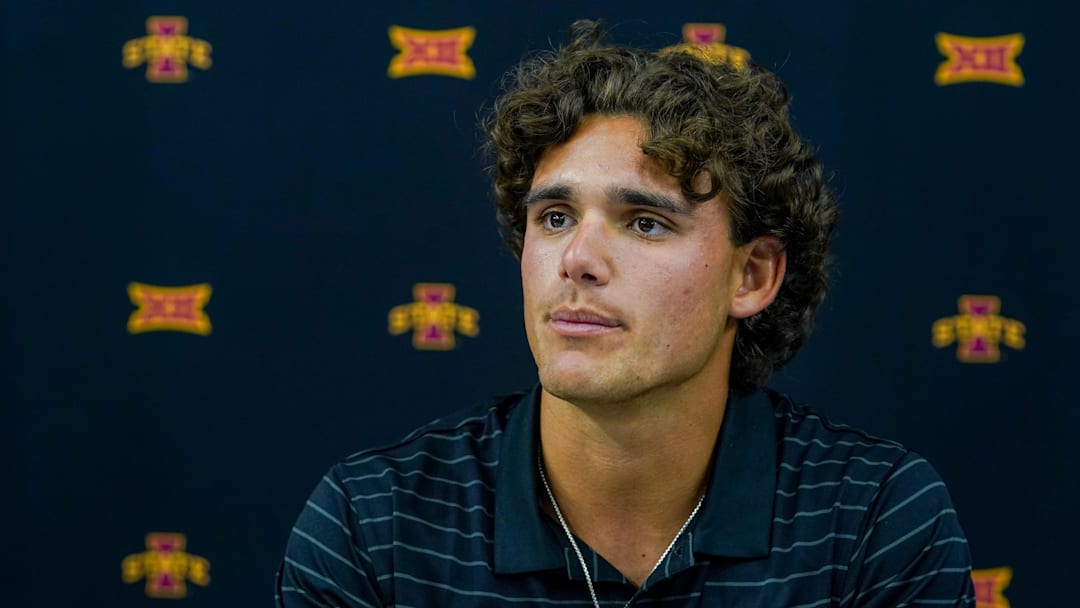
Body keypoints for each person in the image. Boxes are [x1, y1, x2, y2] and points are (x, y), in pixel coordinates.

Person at [276, 20, 975, 607]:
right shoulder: (374, 525)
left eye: (644, 223)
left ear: (752, 274)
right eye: (554, 216)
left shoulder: (875, 521)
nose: (577, 259)